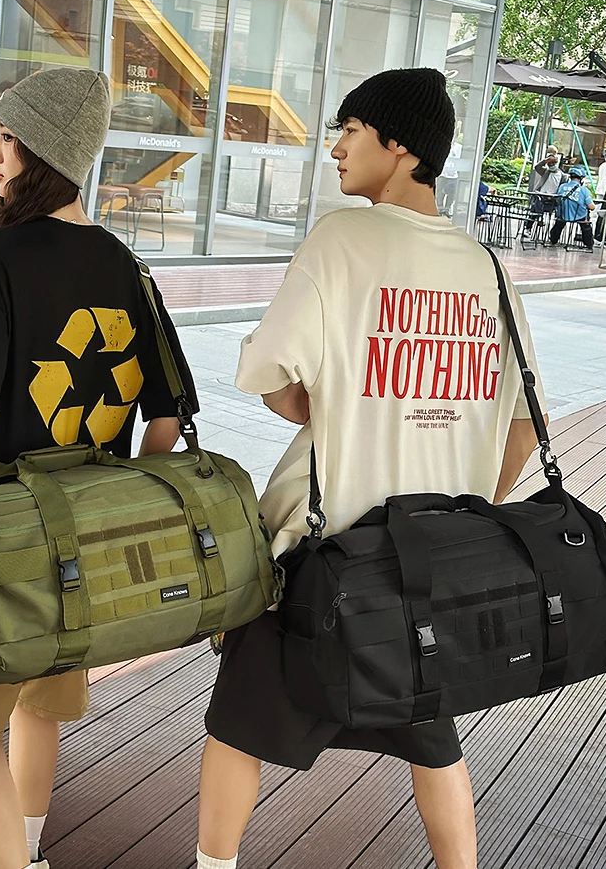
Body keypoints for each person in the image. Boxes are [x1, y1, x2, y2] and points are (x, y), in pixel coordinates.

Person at [195, 68, 547, 869]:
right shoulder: (485, 267)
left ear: (399, 145)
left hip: (326, 557)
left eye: (349, 130)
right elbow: (526, 426)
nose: (336, 148)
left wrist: (329, 405)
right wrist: (468, 514)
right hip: (429, 567)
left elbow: (273, 375)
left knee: (240, 726)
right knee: (432, 741)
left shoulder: (342, 240)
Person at [0, 68, 198, 869]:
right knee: (38, 706)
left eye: (9, 137)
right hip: (82, 540)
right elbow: (166, 421)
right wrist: (118, 495)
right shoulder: (130, 269)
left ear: (46, 151)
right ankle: (26, 848)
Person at [549, 166, 596, 250]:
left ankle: (553, 239)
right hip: (579, 216)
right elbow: (591, 207)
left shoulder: (562, 187)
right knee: (586, 223)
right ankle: (589, 244)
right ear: (581, 178)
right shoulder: (583, 190)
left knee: (559, 222)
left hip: (563, 215)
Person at [523, 148, 562, 236]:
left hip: (551, 199)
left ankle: (538, 218)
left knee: (537, 206)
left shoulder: (562, 176)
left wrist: (553, 196)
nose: (551, 165)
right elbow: (537, 167)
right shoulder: (545, 172)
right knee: (536, 203)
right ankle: (532, 224)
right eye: (549, 164)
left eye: (552, 163)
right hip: (540, 196)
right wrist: (545, 161)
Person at [436, 136, 461, 217]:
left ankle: (447, 208)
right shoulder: (442, 145)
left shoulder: (459, 147)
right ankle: (440, 209)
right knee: (440, 191)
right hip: (442, 173)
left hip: (453, 174)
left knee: (452, 192)